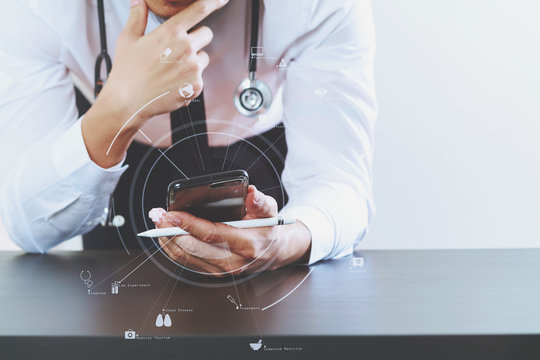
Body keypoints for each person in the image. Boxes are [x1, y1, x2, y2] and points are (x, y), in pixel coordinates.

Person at [0, 0, 376, 275]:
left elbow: (338, 182)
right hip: (112, 275)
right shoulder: (39, 9)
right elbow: (29, 227)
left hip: (264, 191)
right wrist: (116, 112)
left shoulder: (319, 7)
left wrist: (285, 241)